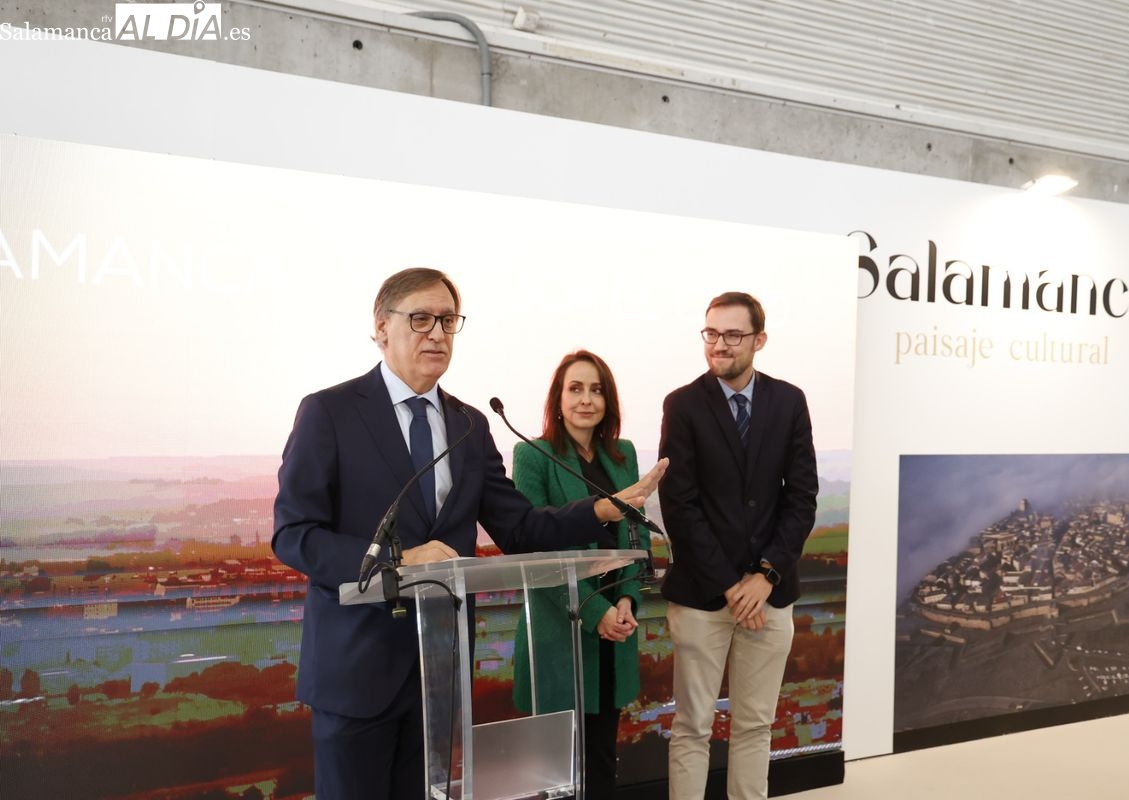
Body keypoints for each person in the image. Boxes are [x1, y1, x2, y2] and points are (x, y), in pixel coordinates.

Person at [272, 268, 667, 800]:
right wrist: (398, 560)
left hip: (439, 672)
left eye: (448, 320)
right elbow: (294, 534)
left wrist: (602, 509)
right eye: (421, 319)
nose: (437, 333)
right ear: (381, 328)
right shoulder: (330, 412)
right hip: (355, 669)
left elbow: (521, 528)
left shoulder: (468, 425)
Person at [658, 291, 818, 800]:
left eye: (732, 335)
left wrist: (764, 575)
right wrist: (732, 584)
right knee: (692, 727)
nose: (719, 345)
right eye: (711, 334)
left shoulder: (788, 401)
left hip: (770, 595)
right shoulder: (682, 405)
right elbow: (679, 507)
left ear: (759, 340)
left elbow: (803, 498)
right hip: (705, 596)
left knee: (755, 726)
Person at [510, 350, 644, 800]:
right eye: (575, 388)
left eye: (597, 389)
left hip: (614, 633)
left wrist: (625, 601)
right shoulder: (534, 455)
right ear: (558, 397)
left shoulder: (621, 455)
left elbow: (631, 535)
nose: (586, 399)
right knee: (556, 775)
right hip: (560, 629)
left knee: (603, 759)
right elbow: (535, 551)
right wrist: (596, 610)